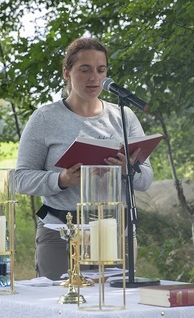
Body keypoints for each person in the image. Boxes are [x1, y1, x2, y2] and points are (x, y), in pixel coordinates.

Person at [16, 38, 153, 279]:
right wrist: (61, 179)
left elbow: (146, 179)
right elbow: (22, 178)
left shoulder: (123, 116)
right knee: (59, 308)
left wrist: (127, 170)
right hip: (61, 232)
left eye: (101, 70)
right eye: (85, 69)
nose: (94, 77)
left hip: (113, 230)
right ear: (67, 73)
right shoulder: (45, 118)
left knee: (116, 304)